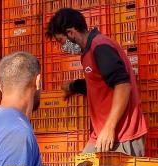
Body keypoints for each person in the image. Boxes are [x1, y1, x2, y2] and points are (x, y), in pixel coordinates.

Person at [46, 8, 148, 155]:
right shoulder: (88, 52)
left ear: (71, 33)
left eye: (61, 41)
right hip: (101, 134)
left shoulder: (100, 47)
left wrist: (109, 127)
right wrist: (74, 87)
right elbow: (100, 84)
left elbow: (123, 85)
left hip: (122, 135)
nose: (63, 47)